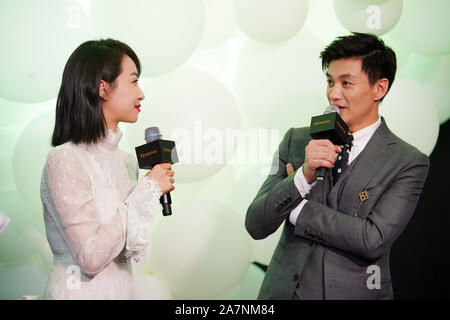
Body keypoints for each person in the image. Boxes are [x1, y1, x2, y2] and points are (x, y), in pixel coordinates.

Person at [245, 33, 429, 300]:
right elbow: (256, 224)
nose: (334, 94)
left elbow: (372, 239)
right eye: (330, 81)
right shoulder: (297, 140)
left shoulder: (407, 161)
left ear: (380, 88)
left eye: (346, 83)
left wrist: (298, 209)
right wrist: (302, 176)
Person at [40, 39, 175, 299]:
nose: (141, 93)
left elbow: (122, 252)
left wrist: (147, 190)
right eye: (134, 81)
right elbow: (90, 258)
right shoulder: (64, 158)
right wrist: (147, 189)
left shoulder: (125, 161)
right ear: (102, 88)